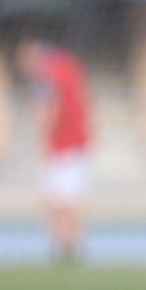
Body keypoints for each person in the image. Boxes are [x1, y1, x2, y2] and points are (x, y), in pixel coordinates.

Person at [16, 39, 92, 264]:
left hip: (62, 146)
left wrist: (43, 142)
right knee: (70, 197)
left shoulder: (46, 76)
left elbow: (49, 111)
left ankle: (64, 243)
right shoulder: (67, 67)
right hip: (76, 142)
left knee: (58, 198)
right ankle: (72, 244)